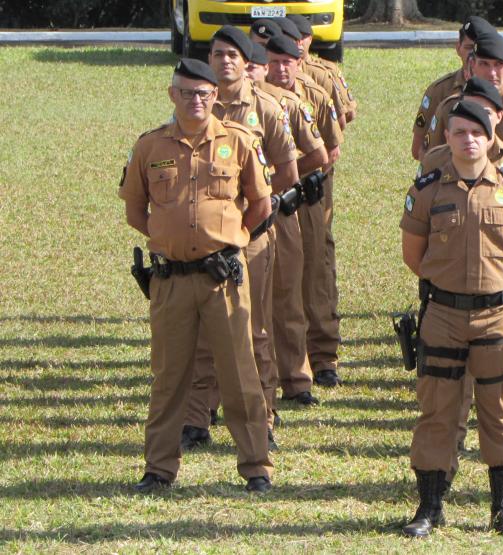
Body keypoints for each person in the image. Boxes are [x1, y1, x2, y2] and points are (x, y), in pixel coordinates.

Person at [119, 58, 274, 493]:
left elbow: (261, 204)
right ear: (173, 95)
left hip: (223, 278)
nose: (196, 100)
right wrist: (169, 238)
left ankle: (256, 467)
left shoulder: (239, 141)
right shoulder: (150, 146)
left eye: (204, 93)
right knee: (169, 377)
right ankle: (159, 468)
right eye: (187, 93)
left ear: (215, 96)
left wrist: (232, 238)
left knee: (239, 375)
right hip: (170, 281)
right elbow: (135, 210)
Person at [400, 101, 503, 537]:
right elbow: (413, 254)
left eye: (477, 133)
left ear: (490, 138)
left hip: (494, 317)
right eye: (460, 132)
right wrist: (449, 284)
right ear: (447, 137)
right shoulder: (427, 190)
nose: (469, 140)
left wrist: (492, 285)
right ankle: (429, 507)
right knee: (437, 411)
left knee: (500, 410)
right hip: (442, 314)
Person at [181, 26, 311, 452]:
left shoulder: (267, 108)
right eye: (218, 54)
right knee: (203, 328)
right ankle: (198, 416)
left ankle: (263, 416)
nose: (224, 62)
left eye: (233, 56)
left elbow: (288, 173)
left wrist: (255, 211)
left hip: (251, 234)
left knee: (253, 328)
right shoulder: (197, 104)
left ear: (246, 61)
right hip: (206, 236)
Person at [265, 34, 345, 402]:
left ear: (300, 62)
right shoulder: (253, 101)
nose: (280, 69)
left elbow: (328, 150)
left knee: (313, 274)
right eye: (273, 61)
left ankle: (322, 357)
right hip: (264, 203)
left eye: (287, 61)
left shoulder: (311, 95)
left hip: (303, 197)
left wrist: (286, 175)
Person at [411, 16, 503, 161]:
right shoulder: (441, 90)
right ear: (458, 48)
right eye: (470, 48)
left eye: (483, 49)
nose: (474, 54)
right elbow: (420, 151)